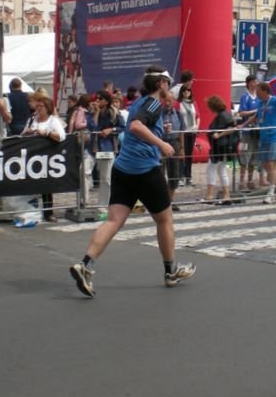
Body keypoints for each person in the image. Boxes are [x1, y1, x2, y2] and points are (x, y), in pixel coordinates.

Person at [69, 67, 196, 298]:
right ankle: (170, 272)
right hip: (145, 170)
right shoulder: (154, 103)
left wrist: (157, 132)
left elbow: (137, 124)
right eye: (167, 83)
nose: (169, 87)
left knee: (114, 220)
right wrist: (162, 144)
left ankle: (86, 265)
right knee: (165, 219)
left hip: (123, 168)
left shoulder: (139, 102)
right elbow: (137, 126)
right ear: (160, 85)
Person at [22, 95, 66, 222]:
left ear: (48, 108)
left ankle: (48, 212)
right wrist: (28, 133)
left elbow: (61, 136)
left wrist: (46, 133)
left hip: (47, 157)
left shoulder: (53, 121)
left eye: (41, 106)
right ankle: (31, 211)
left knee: (46, 186)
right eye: (38, 106)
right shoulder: (32, 120)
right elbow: (22, 135)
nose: (38, 108)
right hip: (32, 157)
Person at [88, 90, 125, 216]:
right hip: (92, 147)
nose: (97, 100)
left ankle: (104, 206)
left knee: (106, 178)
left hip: (107, 148)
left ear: (106, 101)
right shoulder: (92, 111)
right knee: (84, 171)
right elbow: (92, 127)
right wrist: (96, 112)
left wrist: (111, 129)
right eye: (97, 98)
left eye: (100, 98)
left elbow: (122, 127)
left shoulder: (114, 112)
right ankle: (83, 201)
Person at [160, 90, 186, 210]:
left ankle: (171, 200)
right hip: (162, 143)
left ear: (174, 101)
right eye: (166, 100)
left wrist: (182, 148)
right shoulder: (158, 113)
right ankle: (163, 201)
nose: (168, 103)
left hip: (175, 142)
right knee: (160, 172)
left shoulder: (178, 114)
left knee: (174, 173)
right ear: (162, 101)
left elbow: (182, 131)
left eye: (170, 100)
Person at [237, 75, 262, 191]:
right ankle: (241, 182)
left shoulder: (259, 97)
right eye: (252, 82)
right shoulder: (245, 96)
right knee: (244, 156)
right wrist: (254, 112)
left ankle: (250, 181)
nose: (254, 84)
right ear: (248, 83)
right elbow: (241, 113)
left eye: (255, 81)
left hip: (257, 130)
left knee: (254, 157)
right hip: (246, 131)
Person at [177, 83, 200, 186]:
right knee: (182, 153)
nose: (186, 92)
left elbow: (198, 116)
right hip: (183, 131)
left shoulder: (193, 103)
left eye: (188, 90)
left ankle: (188, 177)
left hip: (192, 131)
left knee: (189, 155)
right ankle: (181, 176)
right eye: (184, 90)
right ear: (181, 92)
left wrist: (197, 127)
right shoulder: (178, 103)